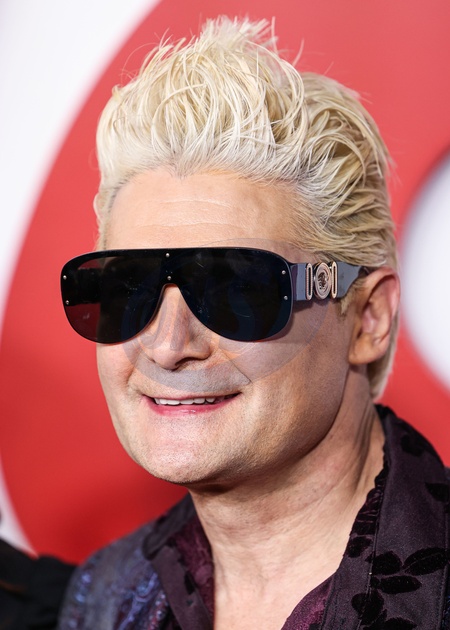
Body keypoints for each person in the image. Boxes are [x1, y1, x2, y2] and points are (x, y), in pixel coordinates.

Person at [6, 15, 449, 630]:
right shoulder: (100, 599)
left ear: (368, 318)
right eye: (127, 289)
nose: (168, 345)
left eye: (237, 291)